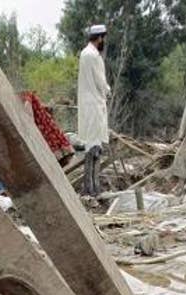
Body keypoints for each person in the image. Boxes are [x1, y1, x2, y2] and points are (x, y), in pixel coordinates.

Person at [77, 24, 111, 197]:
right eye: (103, 38)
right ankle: (92, 188)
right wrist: (108, 90)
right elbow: (100, 81)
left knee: (92, 143)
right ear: (100, 38)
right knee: (94, 147)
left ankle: (90, 187)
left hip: (88, 103)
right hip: (94, 103)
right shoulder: (93, 55)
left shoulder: (85, 54)